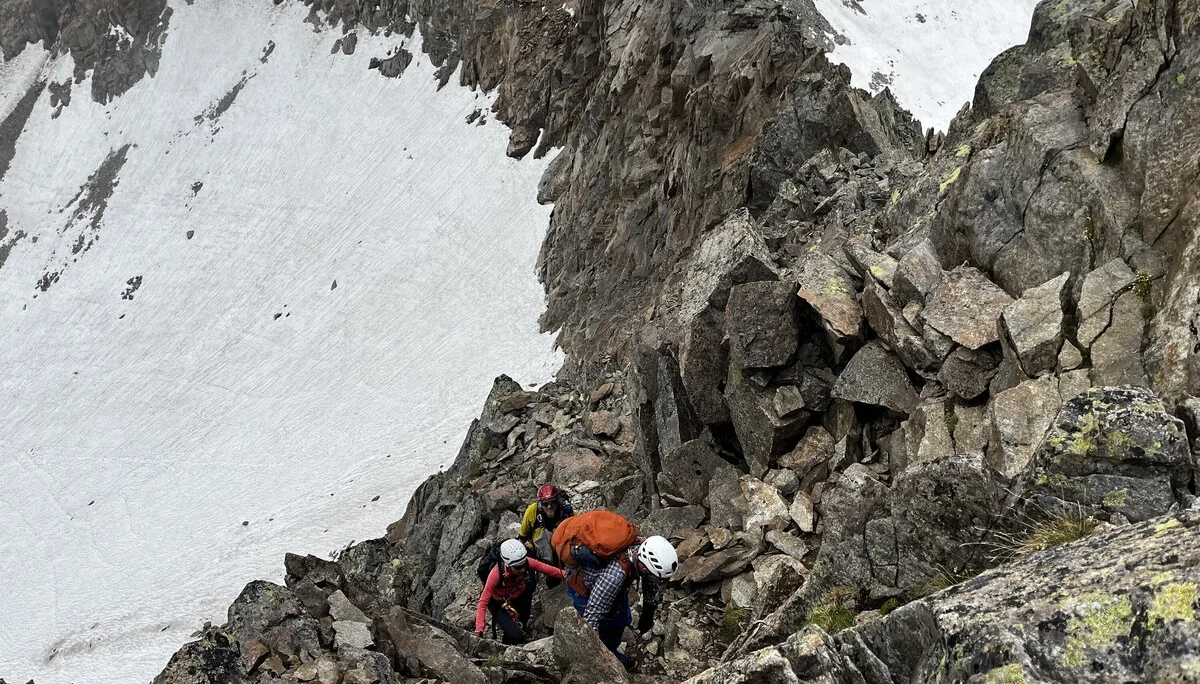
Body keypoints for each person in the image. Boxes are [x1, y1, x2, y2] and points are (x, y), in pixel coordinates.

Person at [565, 535, 678, 670]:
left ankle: (611, 649)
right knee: (602, 626)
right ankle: (606, 661)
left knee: (622, 619)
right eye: (654, 575)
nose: (655, 579)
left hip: (615, 585)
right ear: (644, 567)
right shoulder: (613, 576)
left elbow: (650, 580)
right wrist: (595, 654)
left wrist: (649, 609)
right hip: (585, 592)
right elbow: (591, 617)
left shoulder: (639, 548)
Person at [475, 538, 565, 644]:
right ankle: (509, 642)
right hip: (497, 601)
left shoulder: (526, 562)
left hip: (518, 593)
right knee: (515, 636)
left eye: (523, 565)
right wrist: (479, 629)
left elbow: (549, 570)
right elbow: (483, 602)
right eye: (518, 567)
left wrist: (570, 575)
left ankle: (518, 632)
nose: (522, 569)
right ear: (508, 564)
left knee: (522, 622)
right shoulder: (495, 575)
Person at [518, 484, 575, 563]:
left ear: (557, 501)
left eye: (552, 502)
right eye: (545, 504)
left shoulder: (566, 512)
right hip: (541, 553)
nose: (549, 506)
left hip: (563, 549)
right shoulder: (532, 511)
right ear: (541, 504)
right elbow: (523, 536)